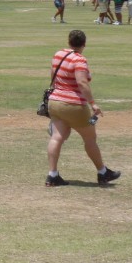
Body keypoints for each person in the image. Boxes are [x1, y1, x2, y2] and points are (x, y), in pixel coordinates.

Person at [46, 29, 121, 187]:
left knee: (56, 137)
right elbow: (82, 82)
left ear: (69, 41)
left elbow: (53, 75)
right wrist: (93, 103)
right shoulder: (79, 60)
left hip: (54, 102)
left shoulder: (59, 54)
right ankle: (102, 172)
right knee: (90, 138)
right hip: (74, 105)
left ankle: (52, 174)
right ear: (84, 44)